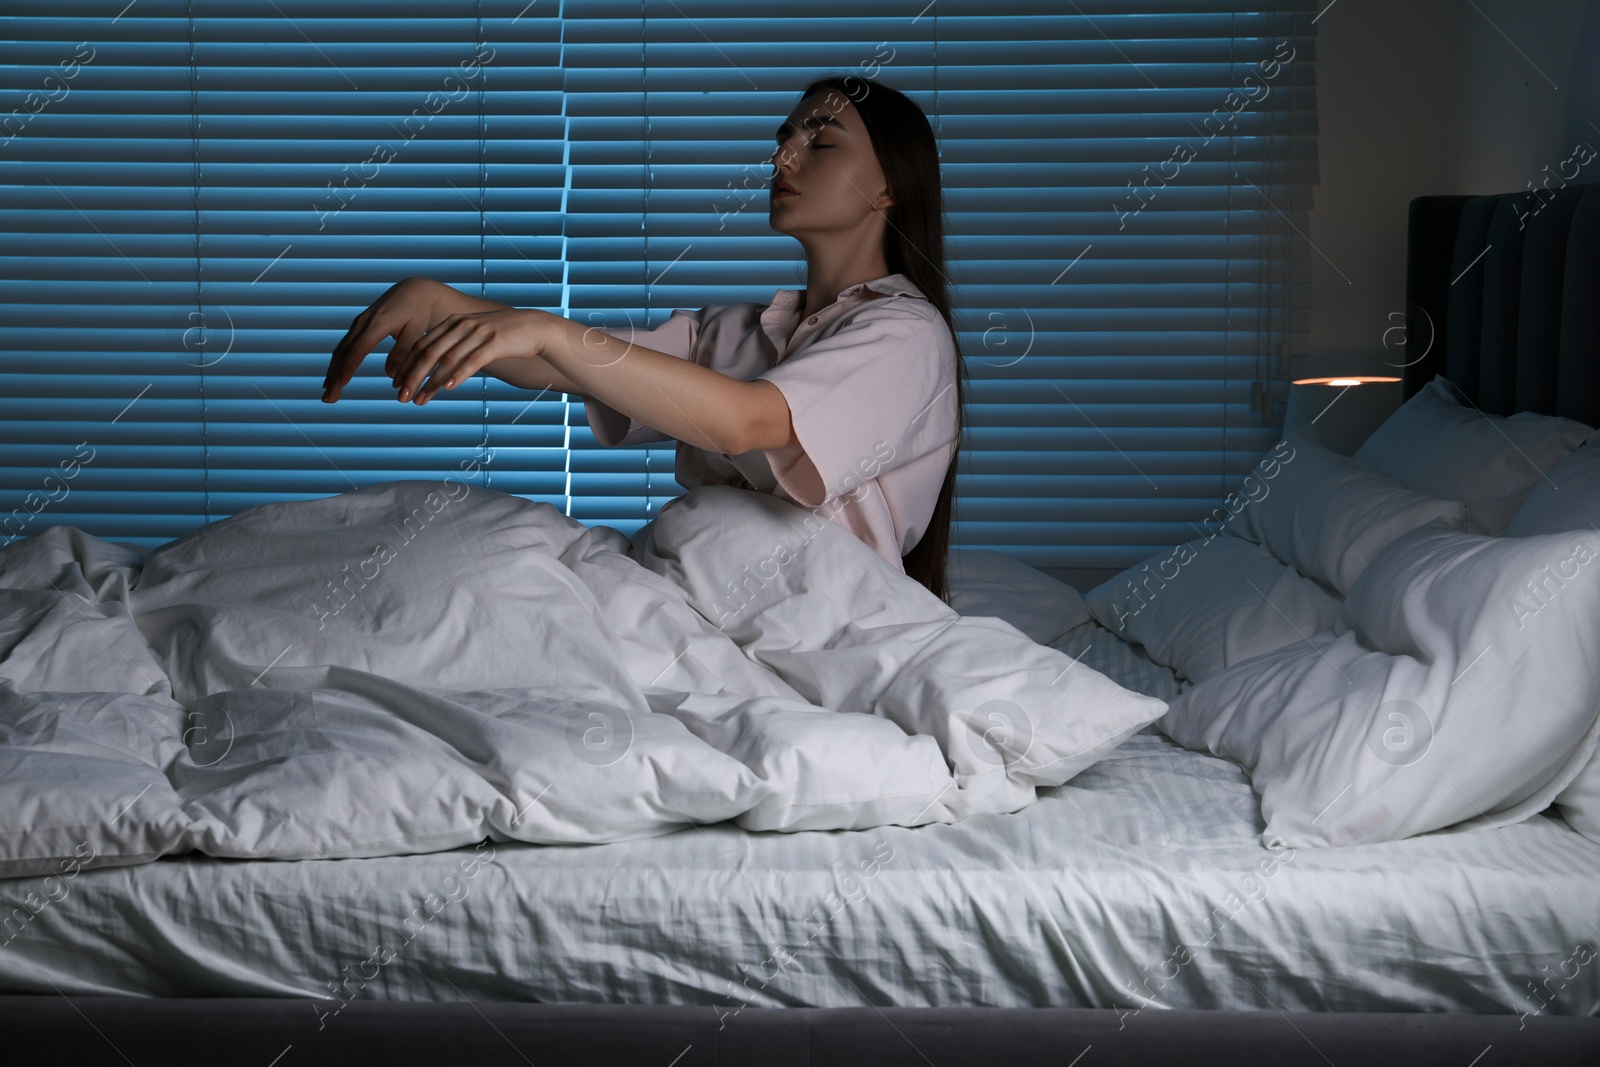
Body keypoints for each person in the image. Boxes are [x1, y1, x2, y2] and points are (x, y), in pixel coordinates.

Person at [322, 76, 966, 601]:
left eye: (819, 144)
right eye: (783, 138)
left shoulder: (907, 336)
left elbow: (746, 423)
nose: (783, 156)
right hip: (685, 589)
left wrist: (545, 329)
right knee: (450, 547)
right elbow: (578, 365)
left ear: (889, 185)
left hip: (800, 612)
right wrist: (444, 305)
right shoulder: (737, 329)